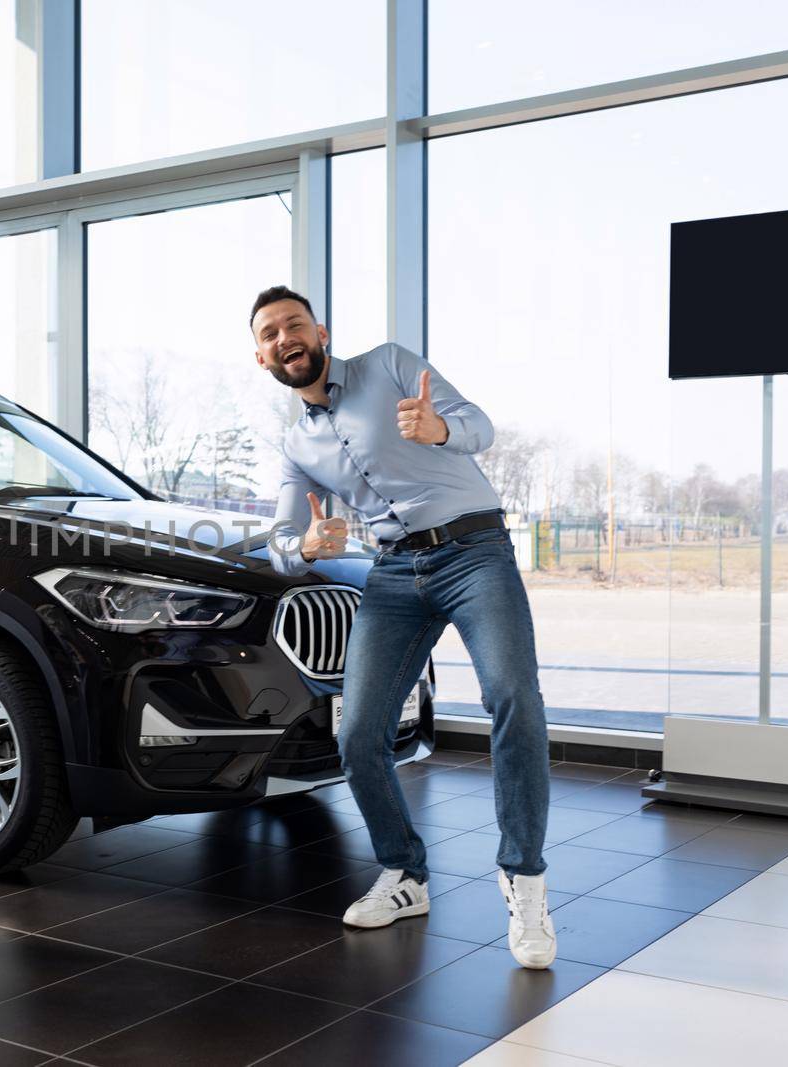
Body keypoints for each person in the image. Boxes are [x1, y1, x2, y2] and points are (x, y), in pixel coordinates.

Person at [254, 285, 556, 970]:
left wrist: (440, 429)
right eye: (270, 333)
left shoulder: (390, 365)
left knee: (513, 696)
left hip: (475, 551)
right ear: (261, 355)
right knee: (357, 732)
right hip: (394, 572)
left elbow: (480, 423)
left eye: (294, 324)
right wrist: (306, 545)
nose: (285, 338)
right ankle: (404, 873)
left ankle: (525, 879)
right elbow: (278, 537)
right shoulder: (294, 442)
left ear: (320, 331)